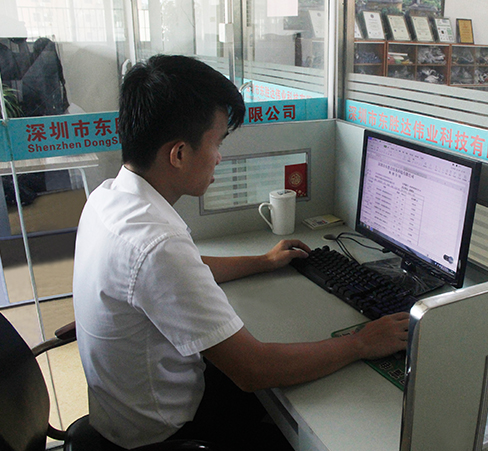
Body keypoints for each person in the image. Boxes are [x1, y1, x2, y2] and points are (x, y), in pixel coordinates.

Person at [72, 54, 409, 451]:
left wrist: (263, 262)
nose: (219, 156)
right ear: (178, 154)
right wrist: (361, 343)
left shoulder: (109, 199)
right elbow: (254, 370)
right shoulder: (157, 243)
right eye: (216, 143)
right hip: (165, 433)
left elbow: (181, 271)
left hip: (124, 409)